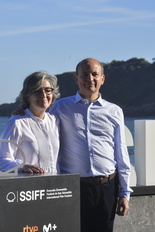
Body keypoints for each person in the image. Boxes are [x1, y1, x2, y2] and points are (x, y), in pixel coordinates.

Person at [49, 58, 132, 232]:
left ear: (102, 79)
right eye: (85, 74)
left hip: (107, 188)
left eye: (95, 74)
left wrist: (124, 193)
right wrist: (21, 112)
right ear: (76, 78)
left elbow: (121, 154)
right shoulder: (60, 107)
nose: (90, 78)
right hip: (74, 188)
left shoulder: (114, 111)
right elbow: (41, 126)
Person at [0, 71, 60, 173]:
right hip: (27, 187)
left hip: (53, 186)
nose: (43, 95)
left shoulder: (55, 121)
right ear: (27, 96)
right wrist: (22, 166)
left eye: (48, 90)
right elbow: (2, 161)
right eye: (37, 91)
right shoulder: (17, 122)